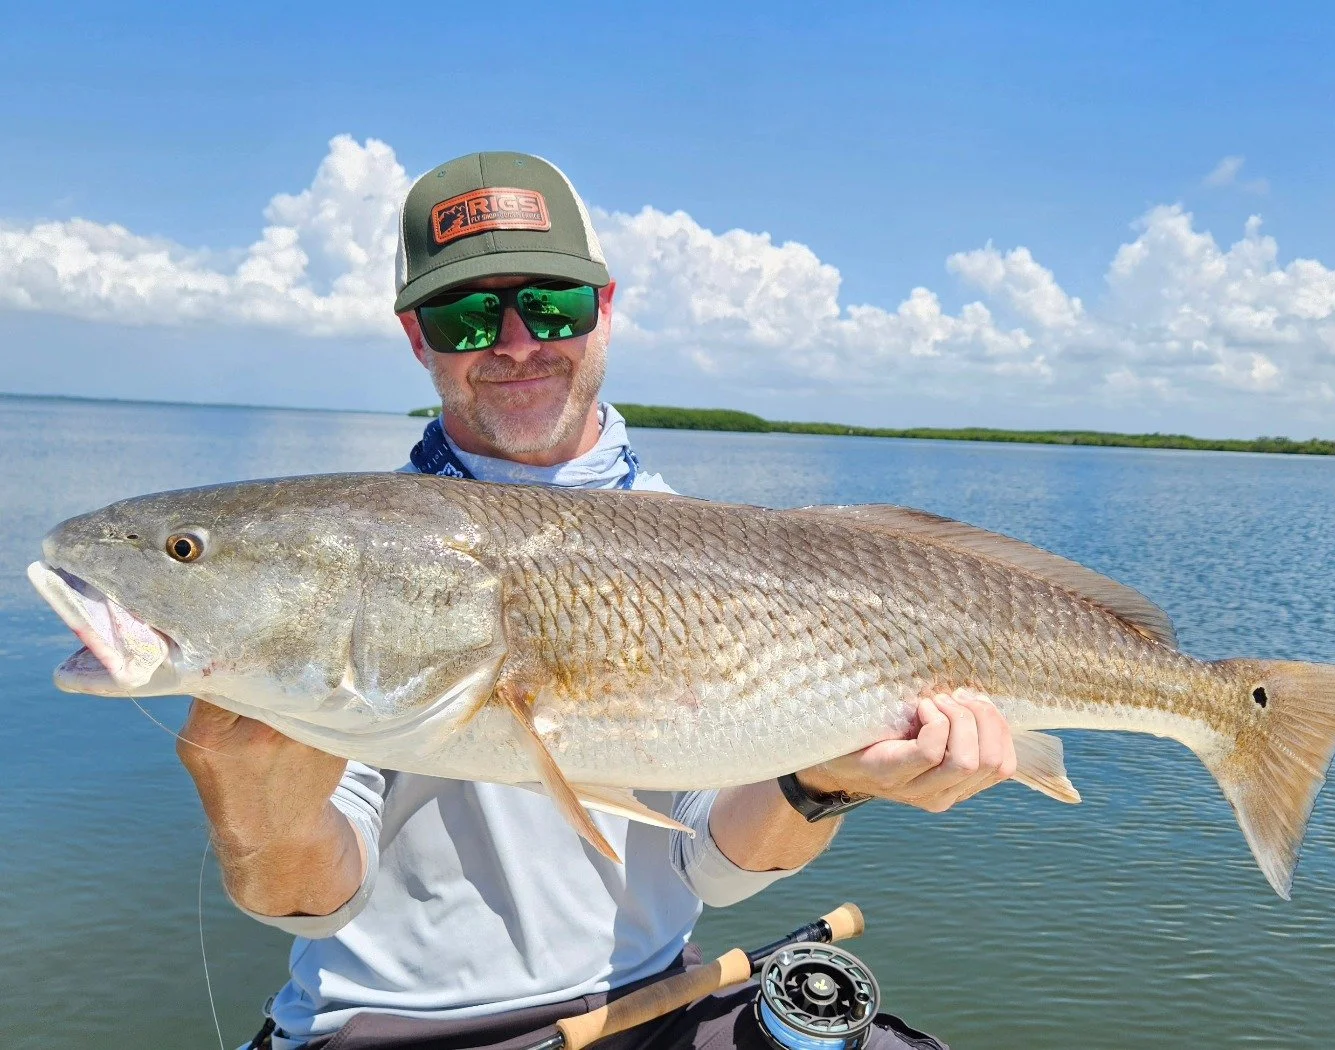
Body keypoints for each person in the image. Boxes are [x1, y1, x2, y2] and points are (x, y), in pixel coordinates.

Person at [178, 152, 1017, 1050]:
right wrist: (254, 807)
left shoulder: (704, 547)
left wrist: (823, 783)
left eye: (553, 306)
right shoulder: (353, 557)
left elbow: (715, 867)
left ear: (604, 309)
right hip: (394, 1029)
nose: (515, 343)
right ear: (418, 338)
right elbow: (309, 902)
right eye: (465, 316)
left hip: (658, 999)